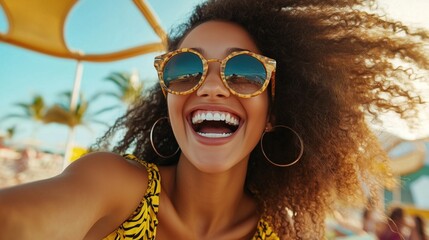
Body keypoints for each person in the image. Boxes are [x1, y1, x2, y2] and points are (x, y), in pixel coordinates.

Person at [1, 0, 429, 239]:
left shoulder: (282, 236)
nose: (211, 86)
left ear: (272, 115)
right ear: (168, 98)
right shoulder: (112, 186)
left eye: (244, 72)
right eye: (185, 69)